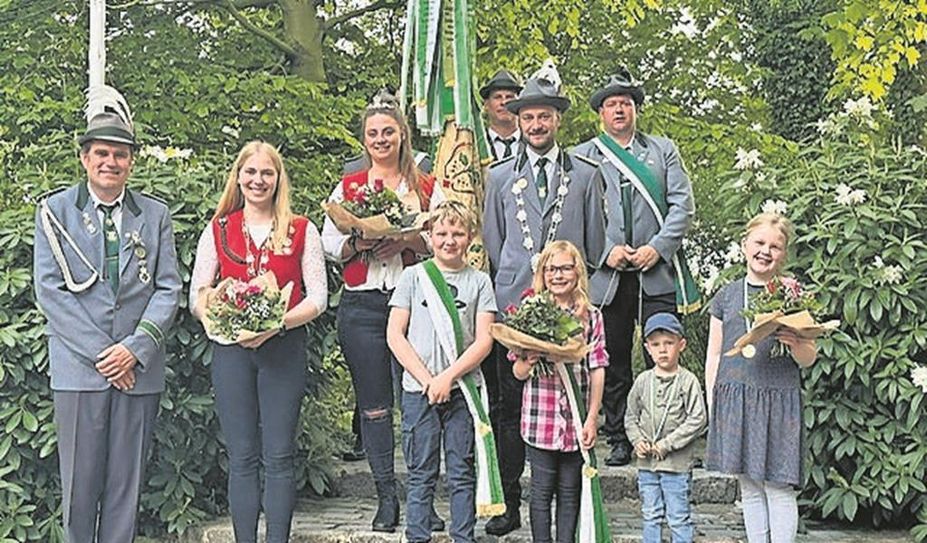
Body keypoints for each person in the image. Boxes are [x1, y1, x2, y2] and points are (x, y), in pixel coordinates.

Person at [33, 85, 182, 542]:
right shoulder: (56, 211)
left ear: (131, 161)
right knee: (79, 487)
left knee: (125, 487)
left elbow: (168, 287)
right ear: (84, 157)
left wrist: (133, 350)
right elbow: (50, 291)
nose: (110, 162)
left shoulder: (154, 214)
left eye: (120, 154)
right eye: (101, 153)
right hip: (80, 370)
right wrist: (107, 355)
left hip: (139, 370)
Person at [482, 61, 607, 536]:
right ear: (517, 120)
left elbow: (593, 244)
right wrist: (520, 285)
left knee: (566, 404)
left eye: (544, 116)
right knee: (511, 409)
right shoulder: (498, 178)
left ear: (557, 120)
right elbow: (495, 244)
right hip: (517, 310)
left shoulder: (586, 175)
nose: (536, 125)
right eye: (528, 117)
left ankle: (567, 510)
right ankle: (511, 504)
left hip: (568, 309)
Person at [189, 141, 327, 543]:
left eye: (267, 173)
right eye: (250, 172)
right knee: (242, 457)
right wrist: (217, 313)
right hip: (231, 351)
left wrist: (278, 323)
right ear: (238, 177)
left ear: (279, 179)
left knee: (279, 455)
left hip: (283, 349)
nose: (258, 180)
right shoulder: (218, 228)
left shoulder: (302, 229)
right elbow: (197, 293)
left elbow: (318, 297)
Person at [322, 94, 446, 532]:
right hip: (363, 305)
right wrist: (360, 241)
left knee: (419, 402)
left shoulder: (425, 185)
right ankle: (386, 497)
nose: (380, 139)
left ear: (402, 135)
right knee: (374, 406)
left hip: (416, 306)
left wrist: (407, 240)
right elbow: (328, 244)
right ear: (364, 139)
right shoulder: (350, 186)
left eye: (388, 132)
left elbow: (447, 236)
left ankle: (422, 498)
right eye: (373, 133)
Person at [574, 68, 698, 467]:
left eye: (625, 103)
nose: (619, 110)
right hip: (607, 276)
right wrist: (604, 251)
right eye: (611, 104)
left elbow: (682, 206)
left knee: (662, 352)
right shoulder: (582, 155)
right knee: (612, 359)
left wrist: (658, 248)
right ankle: (619, 436)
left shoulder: (663, 150)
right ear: (600, 113)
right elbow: (575, 215)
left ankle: (665, 435)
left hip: (655, 272)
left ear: (635, 109)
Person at [386, 200, 496, 543]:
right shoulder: (413, 277)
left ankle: (464, 536)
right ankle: (417, 536)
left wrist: (448, 378)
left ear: (470, 238)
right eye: (442, 233)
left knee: (461, 471)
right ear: (430, 236)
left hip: (463, 390)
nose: (450, 241)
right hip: (419, 390)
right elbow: (395, 334)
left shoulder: (480, 282)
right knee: (421, 472)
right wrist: (427, 380)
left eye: (458, 233)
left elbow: (484, 340)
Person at [705, 213, 818, 542]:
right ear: (744, 245)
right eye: (759, 242)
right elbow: (714, 354)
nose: (765, 251)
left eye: (775, 246)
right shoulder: (726, 295)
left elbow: (809, 358)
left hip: (778, 400)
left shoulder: (792, 294)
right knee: (749, 485)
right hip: (735, 397)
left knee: (778, 485)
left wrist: (797, 344)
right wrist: (713, 399)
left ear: (783, 254)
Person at [509, 241, 607, 543]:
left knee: (570, 492)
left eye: (565, 268)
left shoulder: (592, 316)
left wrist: (592, 418)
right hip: (541, 419)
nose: (558, 275)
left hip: (576, 420)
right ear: (542, 273)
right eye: (551, 269)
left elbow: (597, 368)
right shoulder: (531, 310)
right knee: (541, 492)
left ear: (577, 272)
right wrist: (529, 360)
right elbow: (517, 372)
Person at [625, 313, 707, 543]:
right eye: (656, 345)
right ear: (647, 348)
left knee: (678, 516)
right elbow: (630, 416)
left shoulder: (688, 381)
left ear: (682, 345)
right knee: (650, 514)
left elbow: (698, 418)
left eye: (669, 343)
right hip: (647, 465)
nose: (662, 350)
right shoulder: (643, 381)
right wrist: (637, 441)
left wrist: (667, 444)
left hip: (676, 465)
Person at [480, 69, 523, 161]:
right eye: (497, 97)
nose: (504, 102)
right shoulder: (477, 144)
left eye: (509, 97)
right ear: (486, 104)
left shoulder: (533, 143)